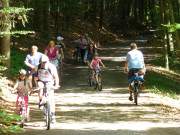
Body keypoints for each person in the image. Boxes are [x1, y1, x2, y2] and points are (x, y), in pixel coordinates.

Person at [37, 54, 60, 124]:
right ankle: (40, 101)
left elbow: (56, 76)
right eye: (42, 62)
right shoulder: (38, 66)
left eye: (45, 62)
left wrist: (56, 85)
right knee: (40, 87)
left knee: (51, 98)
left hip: (49, 81)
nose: (43, 63)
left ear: (47, 61)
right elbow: (34, 74)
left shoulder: (51, 67)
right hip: (41, 81)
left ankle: (52, 116)